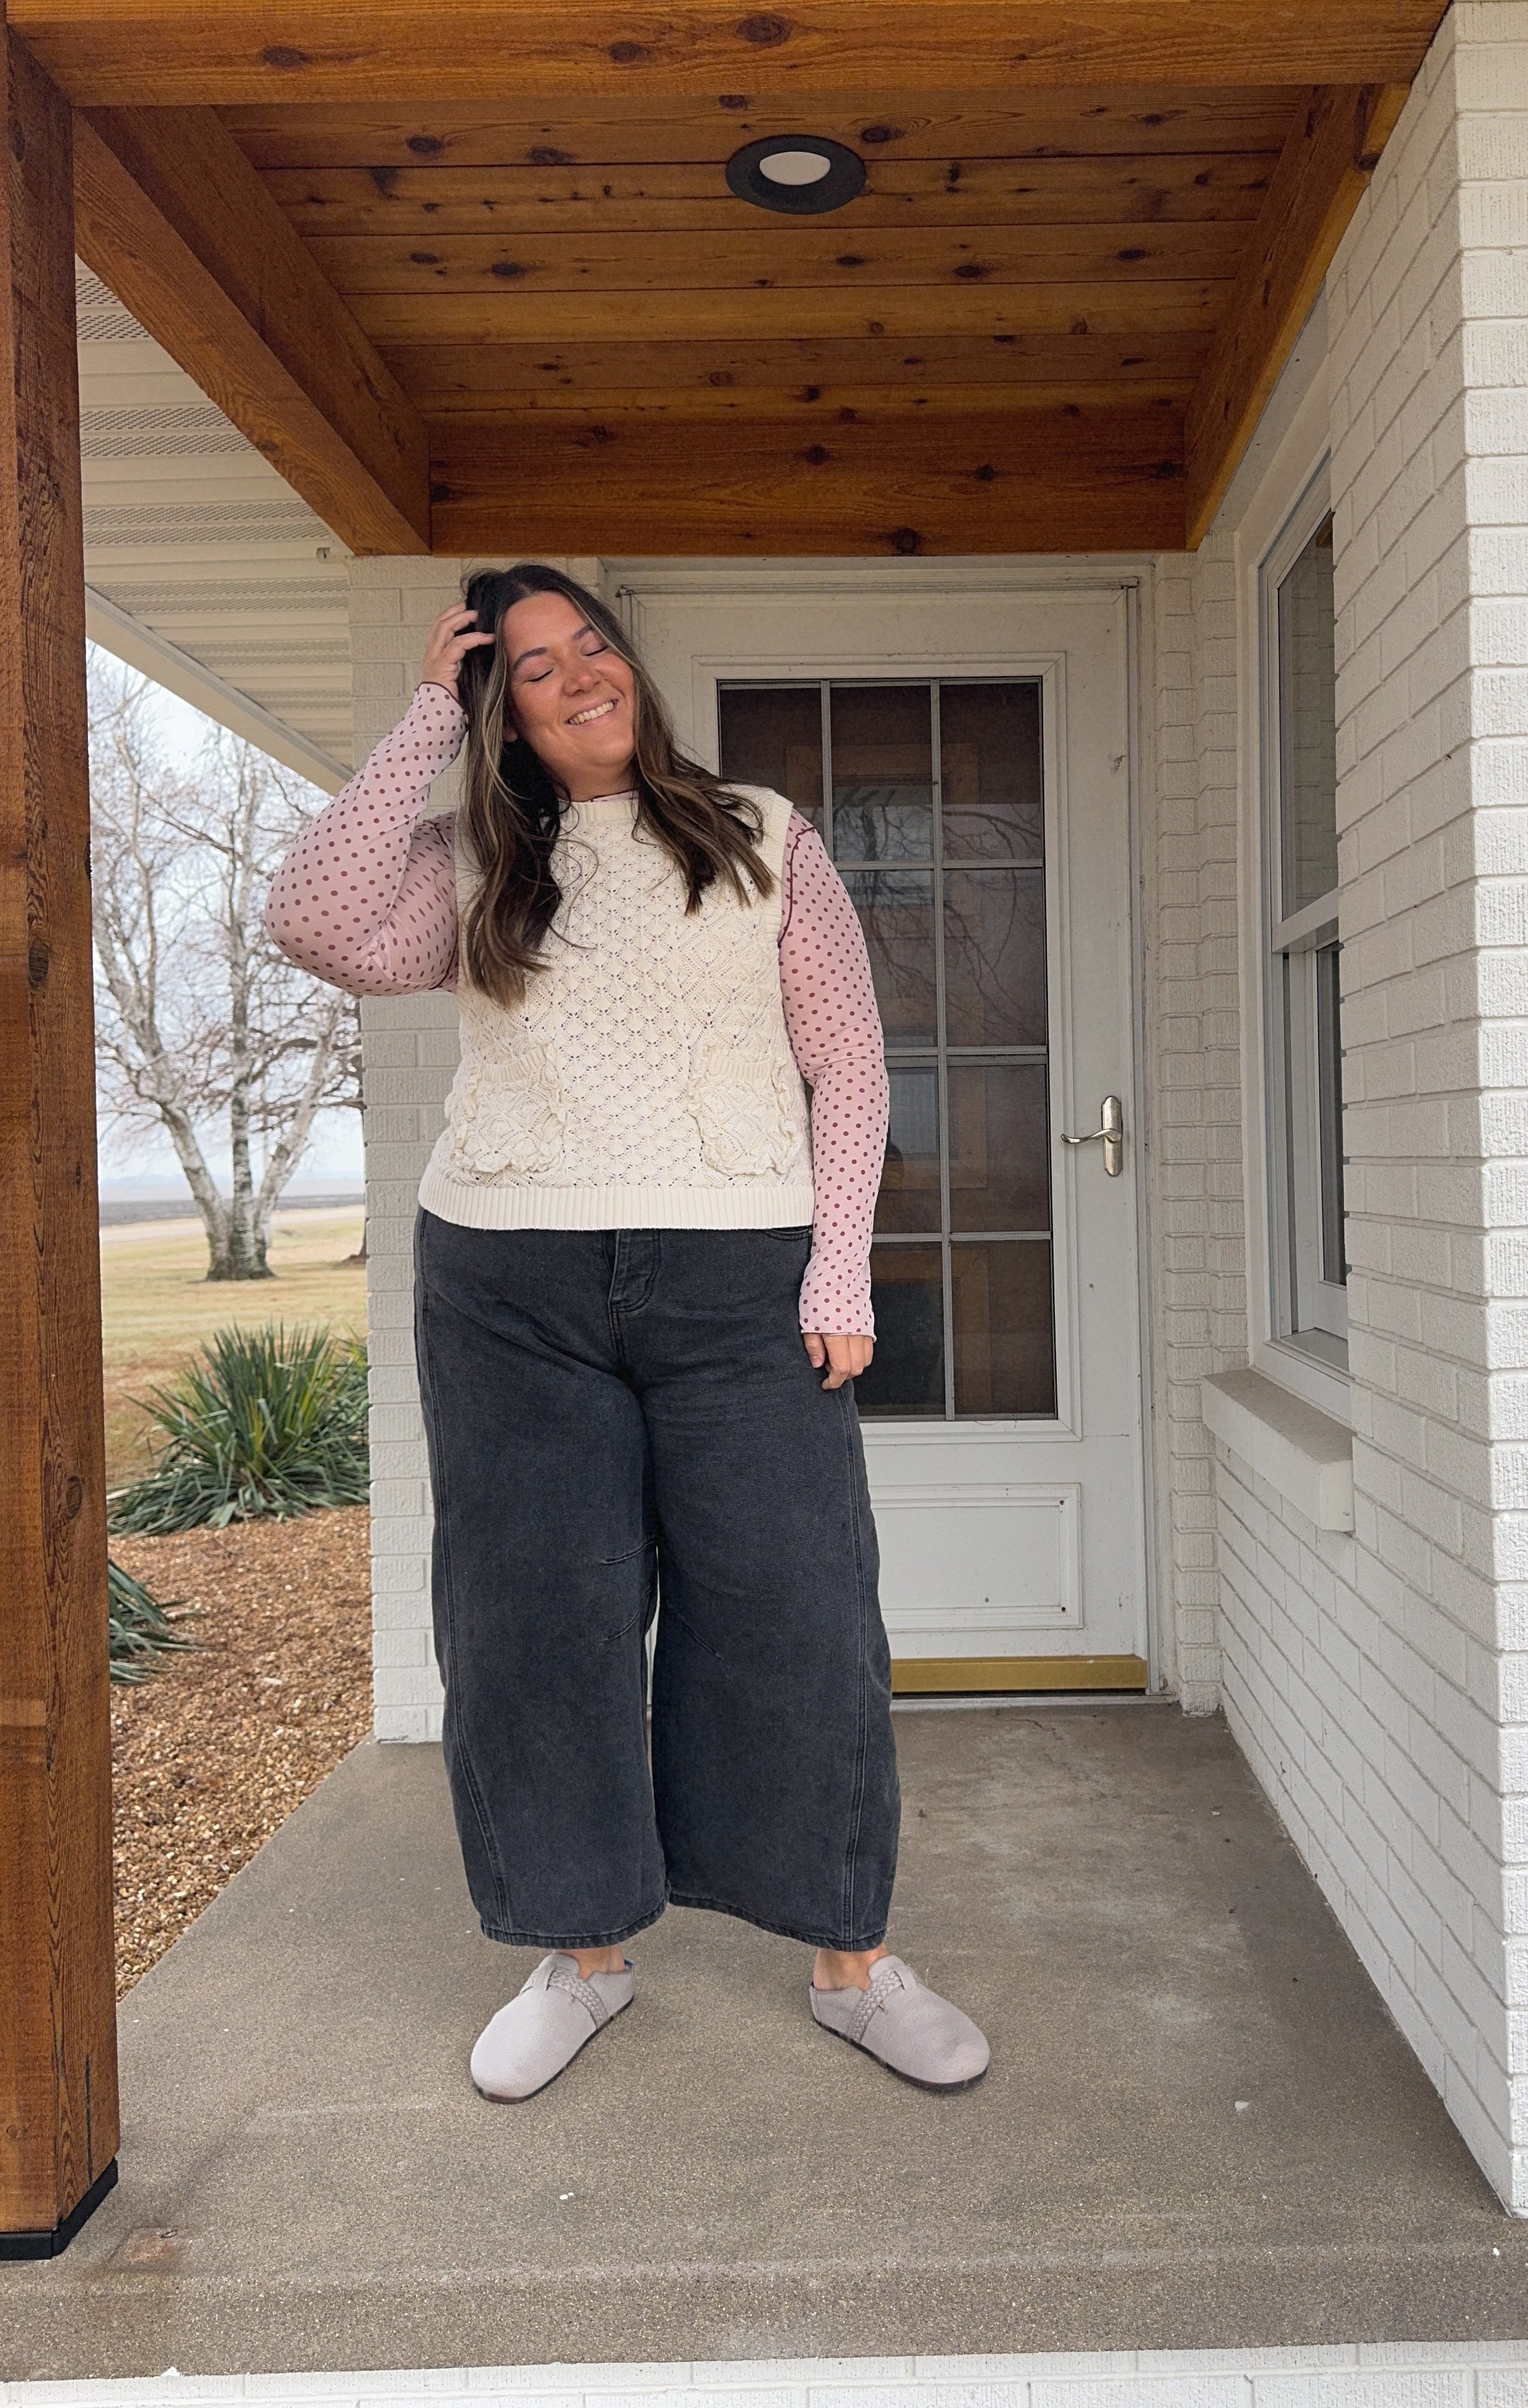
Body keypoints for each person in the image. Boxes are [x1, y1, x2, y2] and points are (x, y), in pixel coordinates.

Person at [265, 562, 988, 2102]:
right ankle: (582, 1954)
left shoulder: (763, 835)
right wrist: (419, 718)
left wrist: (839, 1275)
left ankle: (851, 1962)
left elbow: (847, 1065)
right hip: (508, 1287)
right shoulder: (474, 864)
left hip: (741, 1283)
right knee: (537, 1624)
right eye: (530, 666)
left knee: (798, 1615)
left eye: (590, 642)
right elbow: (314, 918)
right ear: (498, 709)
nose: (579, 673)